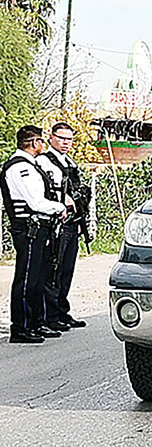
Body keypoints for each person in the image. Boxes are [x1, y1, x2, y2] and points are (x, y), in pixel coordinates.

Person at [1, 126, 67, 344]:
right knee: (27, 278)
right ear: (34, 142)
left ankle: (36, 322)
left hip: (39, 227)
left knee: (38, 278)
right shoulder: (21, 167)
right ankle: (21, 327)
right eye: (40, 140)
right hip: (29, 228)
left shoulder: (30, 165)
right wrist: (59, 207)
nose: (43, 145)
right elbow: (35, 202)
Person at [37, 122, 89, 330]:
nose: (66, 142)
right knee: (53, 271)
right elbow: (44, 189)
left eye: (69, 139)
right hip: (56, 222)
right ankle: (50, 317)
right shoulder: (44, 161)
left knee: (66, 270)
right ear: (51, 137)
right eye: (61, 138)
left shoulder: (69, 162)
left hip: (73, 222)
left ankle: (61, 311)